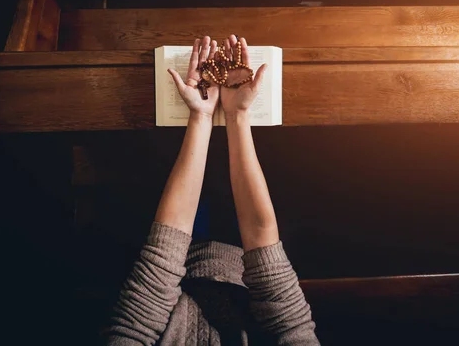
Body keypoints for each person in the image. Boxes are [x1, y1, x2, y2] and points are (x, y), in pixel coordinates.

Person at [104, 35, 320, 345]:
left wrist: (202, 117)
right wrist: (236, 116)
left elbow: (160, 262)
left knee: (146, 158)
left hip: (180, 259)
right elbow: (267, 259)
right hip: (246, 253)